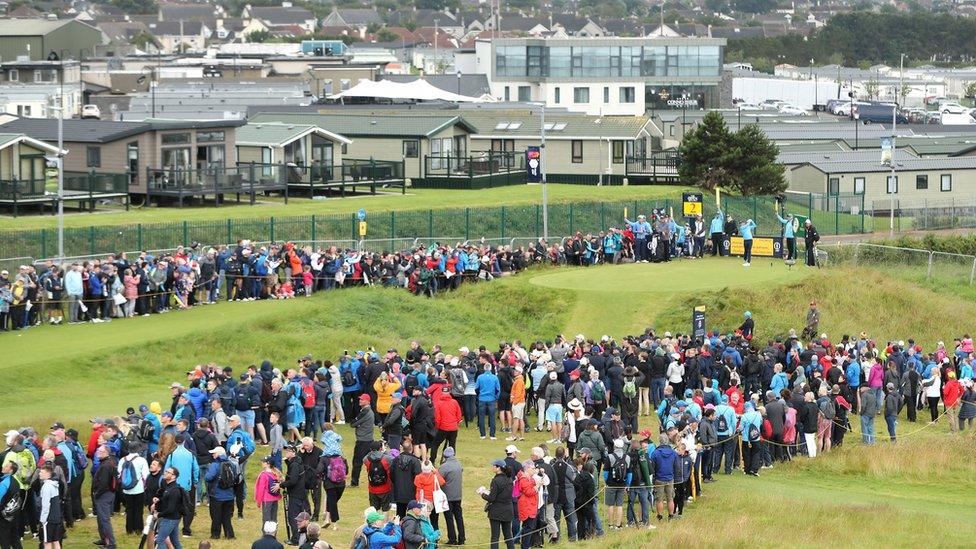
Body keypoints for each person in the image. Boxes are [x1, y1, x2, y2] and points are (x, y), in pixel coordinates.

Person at [480, 459, 514, 549]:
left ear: (499, 468)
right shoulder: (509, 479)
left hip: (496, 511)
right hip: (508, 510)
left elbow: (491, 498)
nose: (492, 467)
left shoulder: (496, 481)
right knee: (508, 535)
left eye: (494, 466)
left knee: (495, 536)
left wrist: (482, 494)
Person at [203, 446, 236, 540]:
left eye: (214, 453)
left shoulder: (215, 465)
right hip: (229, 495)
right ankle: (229, 535)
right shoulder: (231, 464)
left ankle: (215, 535)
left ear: (219, 454)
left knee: (216, 516)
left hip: (217, 495)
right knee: (227, 517)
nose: (212, 454)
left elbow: (208, 478)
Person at [117, 441, 150, 535]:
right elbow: (146, 475)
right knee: (139, 510)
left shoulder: (122, 460)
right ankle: (138, 529)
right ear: (138, 450)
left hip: (126, 489)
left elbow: (119, 474)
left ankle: (129, 529)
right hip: (139, 488)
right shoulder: (142, 460)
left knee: (129, 509)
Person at [281, 444, 308, 545]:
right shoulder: (295, 462)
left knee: (293, 517)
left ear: (293, 452)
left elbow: (293, 480)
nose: (286, 452)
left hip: (296, 494)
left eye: (288, 451)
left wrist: (281, 484)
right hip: (300, 493)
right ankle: (302, 537)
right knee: (300, 516)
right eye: (286, 451)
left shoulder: (295, 464)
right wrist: (287, 461)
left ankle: (295, 540)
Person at [152, 467, 185, 549]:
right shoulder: (167, 486)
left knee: (160, 540)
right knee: (175, 541)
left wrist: (158, 515)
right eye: (165, 471)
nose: (165, 473)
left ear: (173, 476)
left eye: (168, 472)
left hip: (170, 519)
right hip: (173, 518)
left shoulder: (174, 490)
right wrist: (158, 499)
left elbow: (171, 509)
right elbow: (165, 498)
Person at [92, 445, 117, 548]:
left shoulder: (106, 465)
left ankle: (111, 543)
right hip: (105, 493)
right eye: (98, 451)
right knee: (100, 519)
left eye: (101, 452)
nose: (98, 453)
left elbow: (103, 483)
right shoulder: (107, 463)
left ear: (107, 453)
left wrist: (96, 493)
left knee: (104, 519)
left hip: (104, 494)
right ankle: (104, 539)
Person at [649, 433, 677, 526]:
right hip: (670, 478)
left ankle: (660, 516)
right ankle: (671, 516)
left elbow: (652, 467)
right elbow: (676, 465)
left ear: (660, 442)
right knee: (670, 498)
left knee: (659, 499)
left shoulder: (656, 453)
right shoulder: (673, 452)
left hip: (659, 478)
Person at [439, 446, 465, 545]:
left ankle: (452, 539)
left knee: (449, 518)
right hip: (458, 495)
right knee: (459, 517)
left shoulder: (444, 467)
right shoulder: (459, 464)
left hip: (447, 497)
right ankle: (462, 538)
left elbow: (439, 479)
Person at [603, 438, 630, 530]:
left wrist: (606, 482)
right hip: (622, 484)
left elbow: (605, 473)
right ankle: (618, 525)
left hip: (611, 484)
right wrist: (627, 484)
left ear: (615, 446)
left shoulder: (610, 457)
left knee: (610, 505)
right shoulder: (627, 457)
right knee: (619, 505)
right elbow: (629, 473)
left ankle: (610, 524)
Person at [350, 394, 375, 487]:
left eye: (362, 399)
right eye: (360, 399)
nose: (360, 400)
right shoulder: (367, 411)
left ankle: (354, 482)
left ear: (368, 401)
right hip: (368, 439)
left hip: (363, 440)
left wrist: (357, 425)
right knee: (370, 462)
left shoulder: (365, 411)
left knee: (357, 462)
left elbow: (353, 424)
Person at [37, 464, 63, 549]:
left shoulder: (46, 486)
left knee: (47, 542)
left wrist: (43, 519)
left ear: (48, 475)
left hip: (48, 518)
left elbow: (46, 505)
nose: (39, 473)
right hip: (56, 517)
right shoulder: (54, 485)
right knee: (56, 540)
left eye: (42, 472)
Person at [476, 362, 501, 440]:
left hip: (482, 398)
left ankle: (482, 434)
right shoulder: (494, 377)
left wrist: (479, 396)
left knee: (481, 416)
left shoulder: (480, 377)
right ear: (491, 368)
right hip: (491, 399)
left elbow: (476, 388)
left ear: (484, 368)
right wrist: (496, 397)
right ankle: (492, 435)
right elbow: (498, 389)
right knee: (492, 417)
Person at [255, 455, 283, 524]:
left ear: (268, 464)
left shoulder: (264, 475)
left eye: (263, 462)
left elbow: (261, 489)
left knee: (266, 520)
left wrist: (258, 502)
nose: (262, 462)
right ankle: (273, 534)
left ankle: (267, 534)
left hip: (266, 500)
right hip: (275, 499)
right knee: (274, 519)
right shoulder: (275, 473)